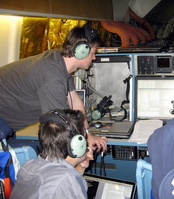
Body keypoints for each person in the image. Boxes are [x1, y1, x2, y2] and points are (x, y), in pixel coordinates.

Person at [0, 23, 107, 152]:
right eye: (93, 52)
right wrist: (83, 142)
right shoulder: (52, 75)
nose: (94, 57)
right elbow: (58, 124)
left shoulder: (58, 62)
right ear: (82, 51)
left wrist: (87, 133)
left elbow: (75, 102)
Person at [10, 109, 93, 199]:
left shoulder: (28, 166)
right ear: (77, 145)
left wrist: (80, 168)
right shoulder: (67, 181)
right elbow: (63, 183)